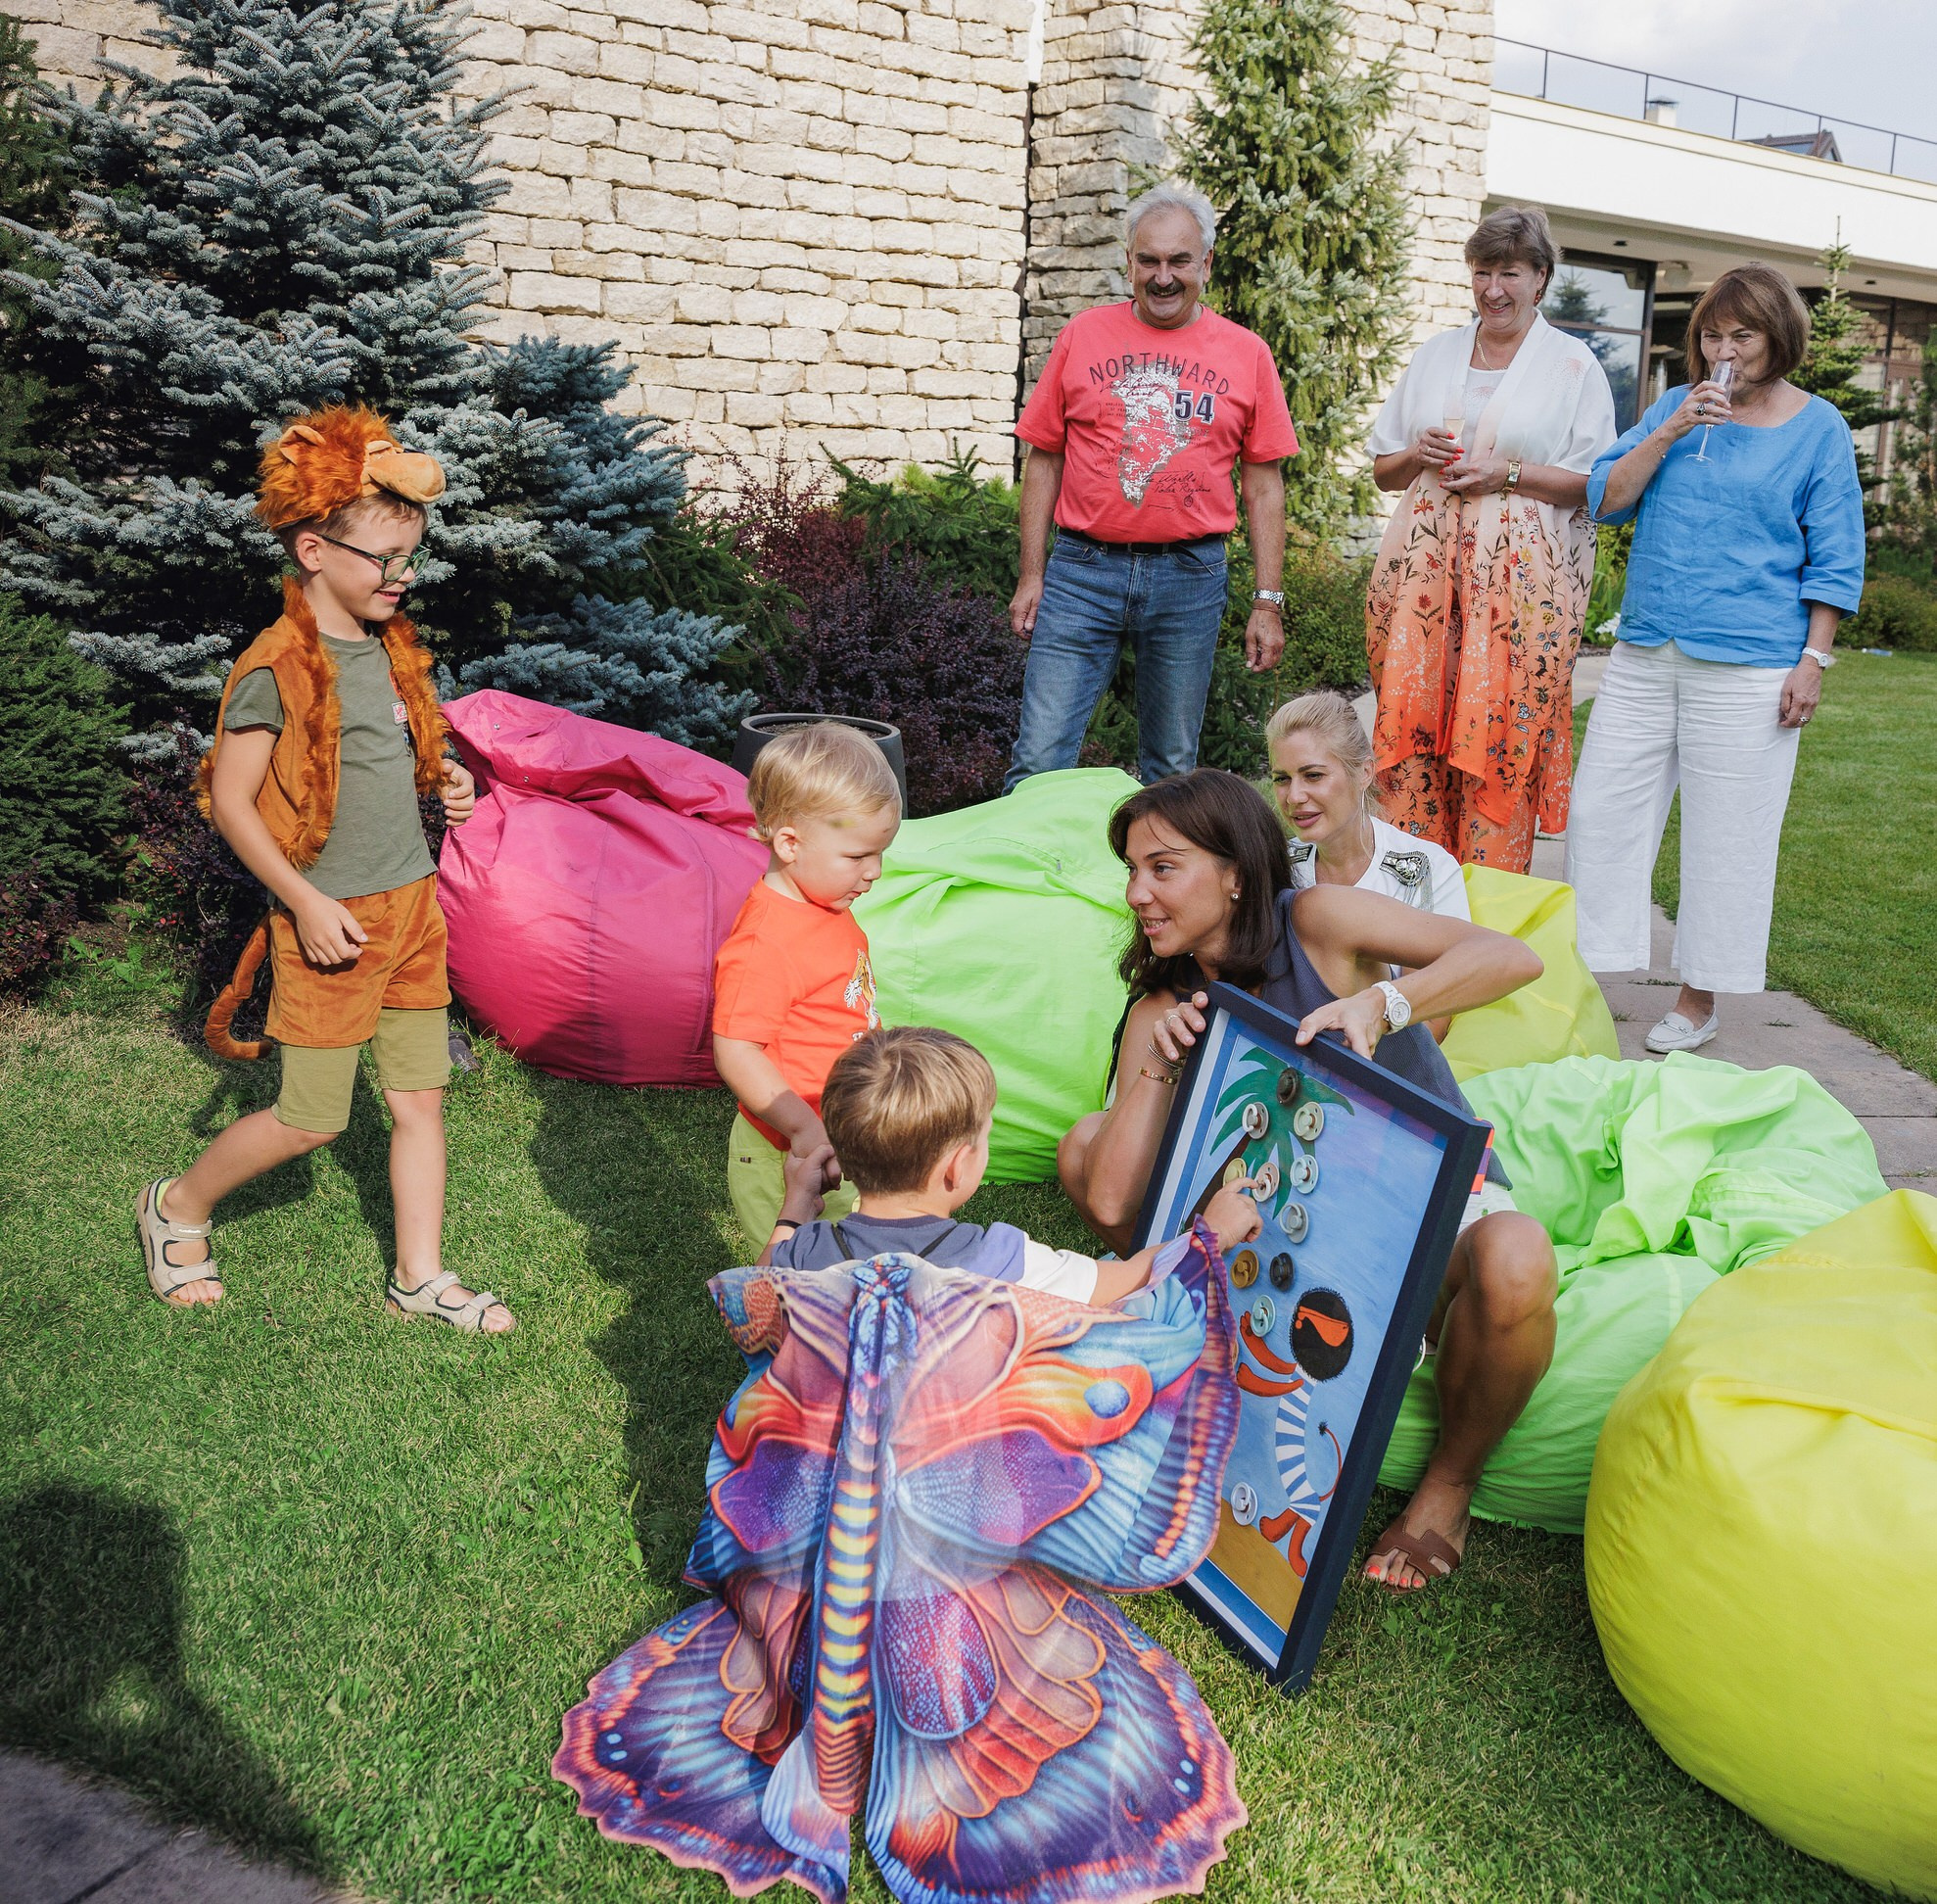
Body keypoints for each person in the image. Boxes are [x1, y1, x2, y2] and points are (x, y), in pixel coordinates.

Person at [1057, 771, 1556, 1590]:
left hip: (1421, 1214)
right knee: (1084, 1141)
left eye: (1162, 867)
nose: (1138, 893)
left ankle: (1448, 1487)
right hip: (1291, 1255)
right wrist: (1156, 1061)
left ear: (1236, 874)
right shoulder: (1167, 1001)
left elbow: (1511, 956)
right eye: (1132, 870)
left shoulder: (1316, 921)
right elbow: (1112, 1203)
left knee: (1518, 1258)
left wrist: (1384, 1005)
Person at [134, 405, 509, 1331]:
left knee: (420, 1100)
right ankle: (176, 1206)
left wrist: (447, 780)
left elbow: (394, 756)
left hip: (413, 910)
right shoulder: (273, 668)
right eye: (382, 559)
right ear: (313, 550)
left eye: (408, 557)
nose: (401, 576)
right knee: (313, 1119)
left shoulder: (390, 649)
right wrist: (300, 901)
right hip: (331, 921)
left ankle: (418, 1276)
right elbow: (230, 800)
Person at [1565, 265, 1865, 1053]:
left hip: (1753, 661)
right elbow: (1605, 498)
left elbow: (1836, 554)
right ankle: (1588, 974)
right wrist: (1669, 431)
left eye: (1742, 335)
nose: (1723, 349)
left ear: (1778, 339)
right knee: (1598, 812)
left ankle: (1698, 1002)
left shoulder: (1818, 427)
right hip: (1648, 645)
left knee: (1727, 837)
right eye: (1711, 334)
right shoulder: (1674, 407)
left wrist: (1814, 659)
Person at [1005, 183, 1299, 788]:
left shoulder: (1247, 354)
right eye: (1149, 261)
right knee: (1038, 760)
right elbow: (1044, 459)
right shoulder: (1082, 336)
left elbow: (1264, 488)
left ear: (1206, 264)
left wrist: (1267, 601)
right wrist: (1032, 573)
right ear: (1130, 261)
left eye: (1179, 261)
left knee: (1171, 768)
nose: (1163, 277)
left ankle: (1160, 881)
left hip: (1189, 576)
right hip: (1082, 572)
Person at [1365, 204, 1616, 873]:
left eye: (1509, 272)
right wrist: (1419, 452)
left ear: (1540, 278)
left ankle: (1488, 919)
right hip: (1423, 587)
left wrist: (1506, 472)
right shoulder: (1437, 353)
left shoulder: (1572, 366)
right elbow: (1386, 471)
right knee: (1418, 741)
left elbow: (1597, 482)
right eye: (1481, 273)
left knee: (1498, 737)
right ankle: (1410, 913)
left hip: (1517, 596)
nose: (1493, 289)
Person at [765, 1024, 1264, 1305]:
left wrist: (796, 1208)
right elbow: (1130, 1280)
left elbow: (754, 1293)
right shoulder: (1000, 1261)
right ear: (957, 1168)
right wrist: (1211, 1236)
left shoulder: (805, 1254)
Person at [712, 722, 900, 1248]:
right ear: (791, 843)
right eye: (859, 856)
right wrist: (802, 1128)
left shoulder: (823, 903)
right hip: (787, 1152)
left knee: (845, 1258)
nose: (876, 872)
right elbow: (736, 1048)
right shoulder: (767, 942)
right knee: (794, 1282)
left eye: (880, 853)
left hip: (836, 1130)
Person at [1269, 690, 1469, 919]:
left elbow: (1461, 953)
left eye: (1313, 775)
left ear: (1365, 773)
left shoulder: (1428, 872)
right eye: (1282, 779)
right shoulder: (1276, 867)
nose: (1294, 797)